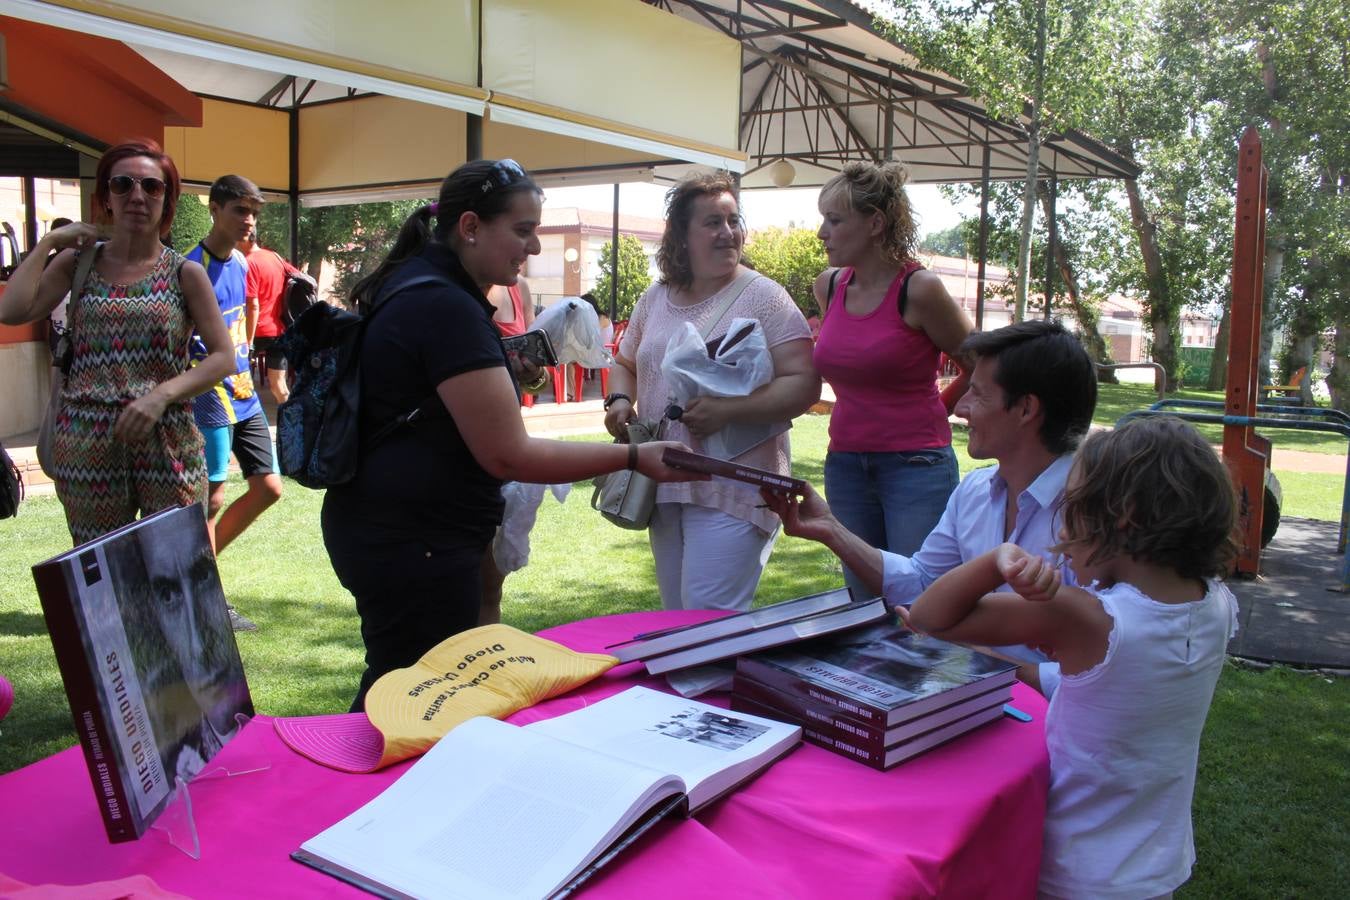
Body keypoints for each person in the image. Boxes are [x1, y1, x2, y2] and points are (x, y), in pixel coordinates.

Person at [319, 158, 699, 709]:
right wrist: (634, 458)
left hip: (396, 530)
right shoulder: (445, 304)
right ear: (470, 227)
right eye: (523, 231)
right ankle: (346, 796)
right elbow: (508, 454)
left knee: (410, 694)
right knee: (409, 708)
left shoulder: (420, 284)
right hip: (414, 542)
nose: (535, 248)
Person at [906, 415, 1239, 899]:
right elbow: (1103, 688)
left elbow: (929, 614)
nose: (1062, 528)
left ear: (1121, 514)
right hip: (1153, 871)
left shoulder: (1086, 618)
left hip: (1074, 873)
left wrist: (997, 559)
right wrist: (983, 653)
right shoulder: (1216, 605)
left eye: (1072, 507)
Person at [763, 320, 1097, 695]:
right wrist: (830, 529)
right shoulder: (975, 490)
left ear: (1025, 409)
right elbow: (922, 583)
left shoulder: (1095, 512)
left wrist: (976, 654)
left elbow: (1107, 666)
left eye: (978, 394)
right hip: (971, 699)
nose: (961, 409)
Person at [605, 173, 820, 612]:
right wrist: (620, 401)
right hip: (665, 481)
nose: (728, 232)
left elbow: (804, 383)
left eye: (734, 220)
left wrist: (730, 411)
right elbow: (624, 363)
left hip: (736, 487)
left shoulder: (765, 297)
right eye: (712, 222)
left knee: (706, 621)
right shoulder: (656, 298)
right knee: (677, 618)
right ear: (681, 236)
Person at [0, 139, 233, 545]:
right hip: (88, 439)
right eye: (123, 184)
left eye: (152, 187)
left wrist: (160, 396)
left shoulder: (185, 274)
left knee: (176, 561)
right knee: (101, 567)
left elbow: (223, 357)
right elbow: (13, 311)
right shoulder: (77, 264)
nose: (137, 196)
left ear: (167, 200)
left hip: (167, 436)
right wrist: (49, 243)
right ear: (106, 197)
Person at [811, 160, 973, 598]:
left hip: (915, 467)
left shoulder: (919, 290)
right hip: (845, 464)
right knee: (863, 602)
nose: (822, 232)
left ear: (875, 223)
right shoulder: (829, 286)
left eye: (835, 220)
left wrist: (936, 410)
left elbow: (980, 363)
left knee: (919, 600)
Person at [185, 177, 284, 594]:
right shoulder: (191, 267)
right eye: (240, 210)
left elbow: (242, 318)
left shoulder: (242, 264)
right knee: (211, 498)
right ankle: (200, 590)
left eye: (254, 213)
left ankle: (202, 571)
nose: (249, 221)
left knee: (269, 488)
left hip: (244, 394)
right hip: (210, 395)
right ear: (214, 208)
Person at [237, 227, 292, 405]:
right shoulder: (275, 257)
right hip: (278, 329)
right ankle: (291, 425)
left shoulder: (248, 263)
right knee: (279, 386)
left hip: (258, 331)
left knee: (239, 385)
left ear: (243, 240)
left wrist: (248, 342)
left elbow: (253, 304)